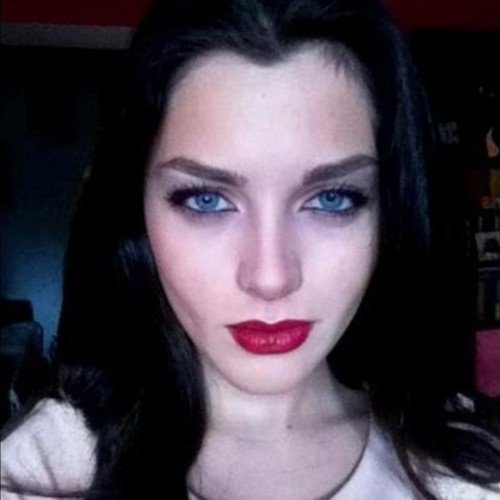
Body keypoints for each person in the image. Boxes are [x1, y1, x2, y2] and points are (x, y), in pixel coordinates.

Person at [1, 0, 500, 498]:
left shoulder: (463, 477)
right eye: (207, 199)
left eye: (331, 198)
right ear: (135, 210)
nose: (270, 277)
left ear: (389, 211)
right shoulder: (37, 476)